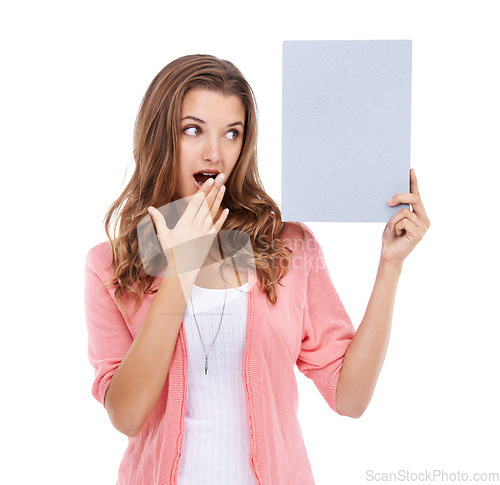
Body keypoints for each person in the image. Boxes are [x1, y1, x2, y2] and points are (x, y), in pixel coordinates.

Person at [84, 54, 430, 485]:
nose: (215, 153)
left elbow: (350, 397)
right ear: (159, 139)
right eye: (193, 130)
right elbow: (127, 414)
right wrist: (181, 265)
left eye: (233, 133)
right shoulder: (113, 265)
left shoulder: (286, 247)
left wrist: (390, 265)